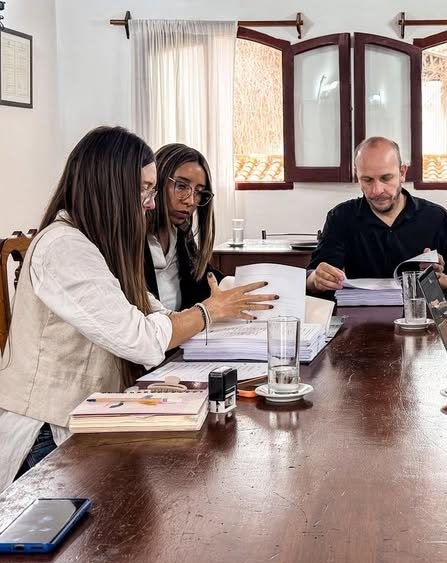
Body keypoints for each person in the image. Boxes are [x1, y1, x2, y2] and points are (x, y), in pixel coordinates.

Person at [0, 126, 276, 490]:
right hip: (48, 438)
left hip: (92, 419)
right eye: (146, 189)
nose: (151, 202)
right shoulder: (64, 249)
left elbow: (155, 313)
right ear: (110, 186)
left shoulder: (95, 245)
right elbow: (141, 338)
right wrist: (206, 312)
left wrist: (180, 319)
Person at [306, 136, 447, 295]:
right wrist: (316, 279)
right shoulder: (340, 217)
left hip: (422, 319)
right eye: (367, 180)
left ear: (402, 172)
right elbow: (312, 278)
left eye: (386, 178)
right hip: (361, 320)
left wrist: (443, 280)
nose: (377, 191)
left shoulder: (439, 218)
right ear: (358, 176)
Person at [145, 143, 222, 311]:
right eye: (181, 186)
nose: (191, 201)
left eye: (199, 192)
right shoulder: (128, 241)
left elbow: (206, 281)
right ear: (156, 182)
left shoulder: (182, 235)